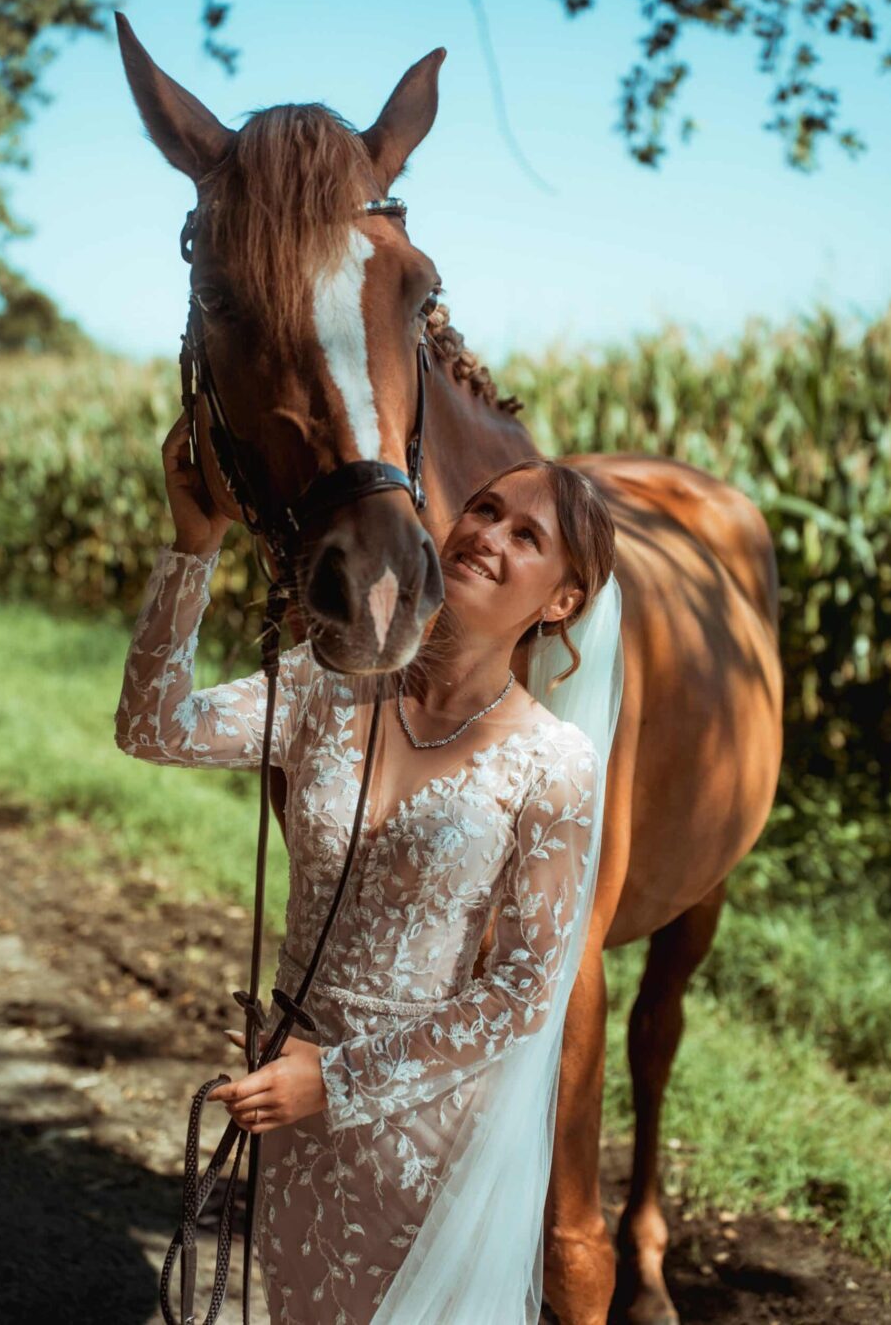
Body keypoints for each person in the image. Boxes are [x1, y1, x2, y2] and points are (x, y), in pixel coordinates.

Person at [115, 414, 623, 1324]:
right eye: (483, 509)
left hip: (417, 1135)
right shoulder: (326, 682)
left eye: (526, 535)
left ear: (562, 603)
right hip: (289, 1120)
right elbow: (153, 726)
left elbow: (519, 995)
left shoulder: (556, 765)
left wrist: (338, 1081)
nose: (486, 536)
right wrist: (193, 550)